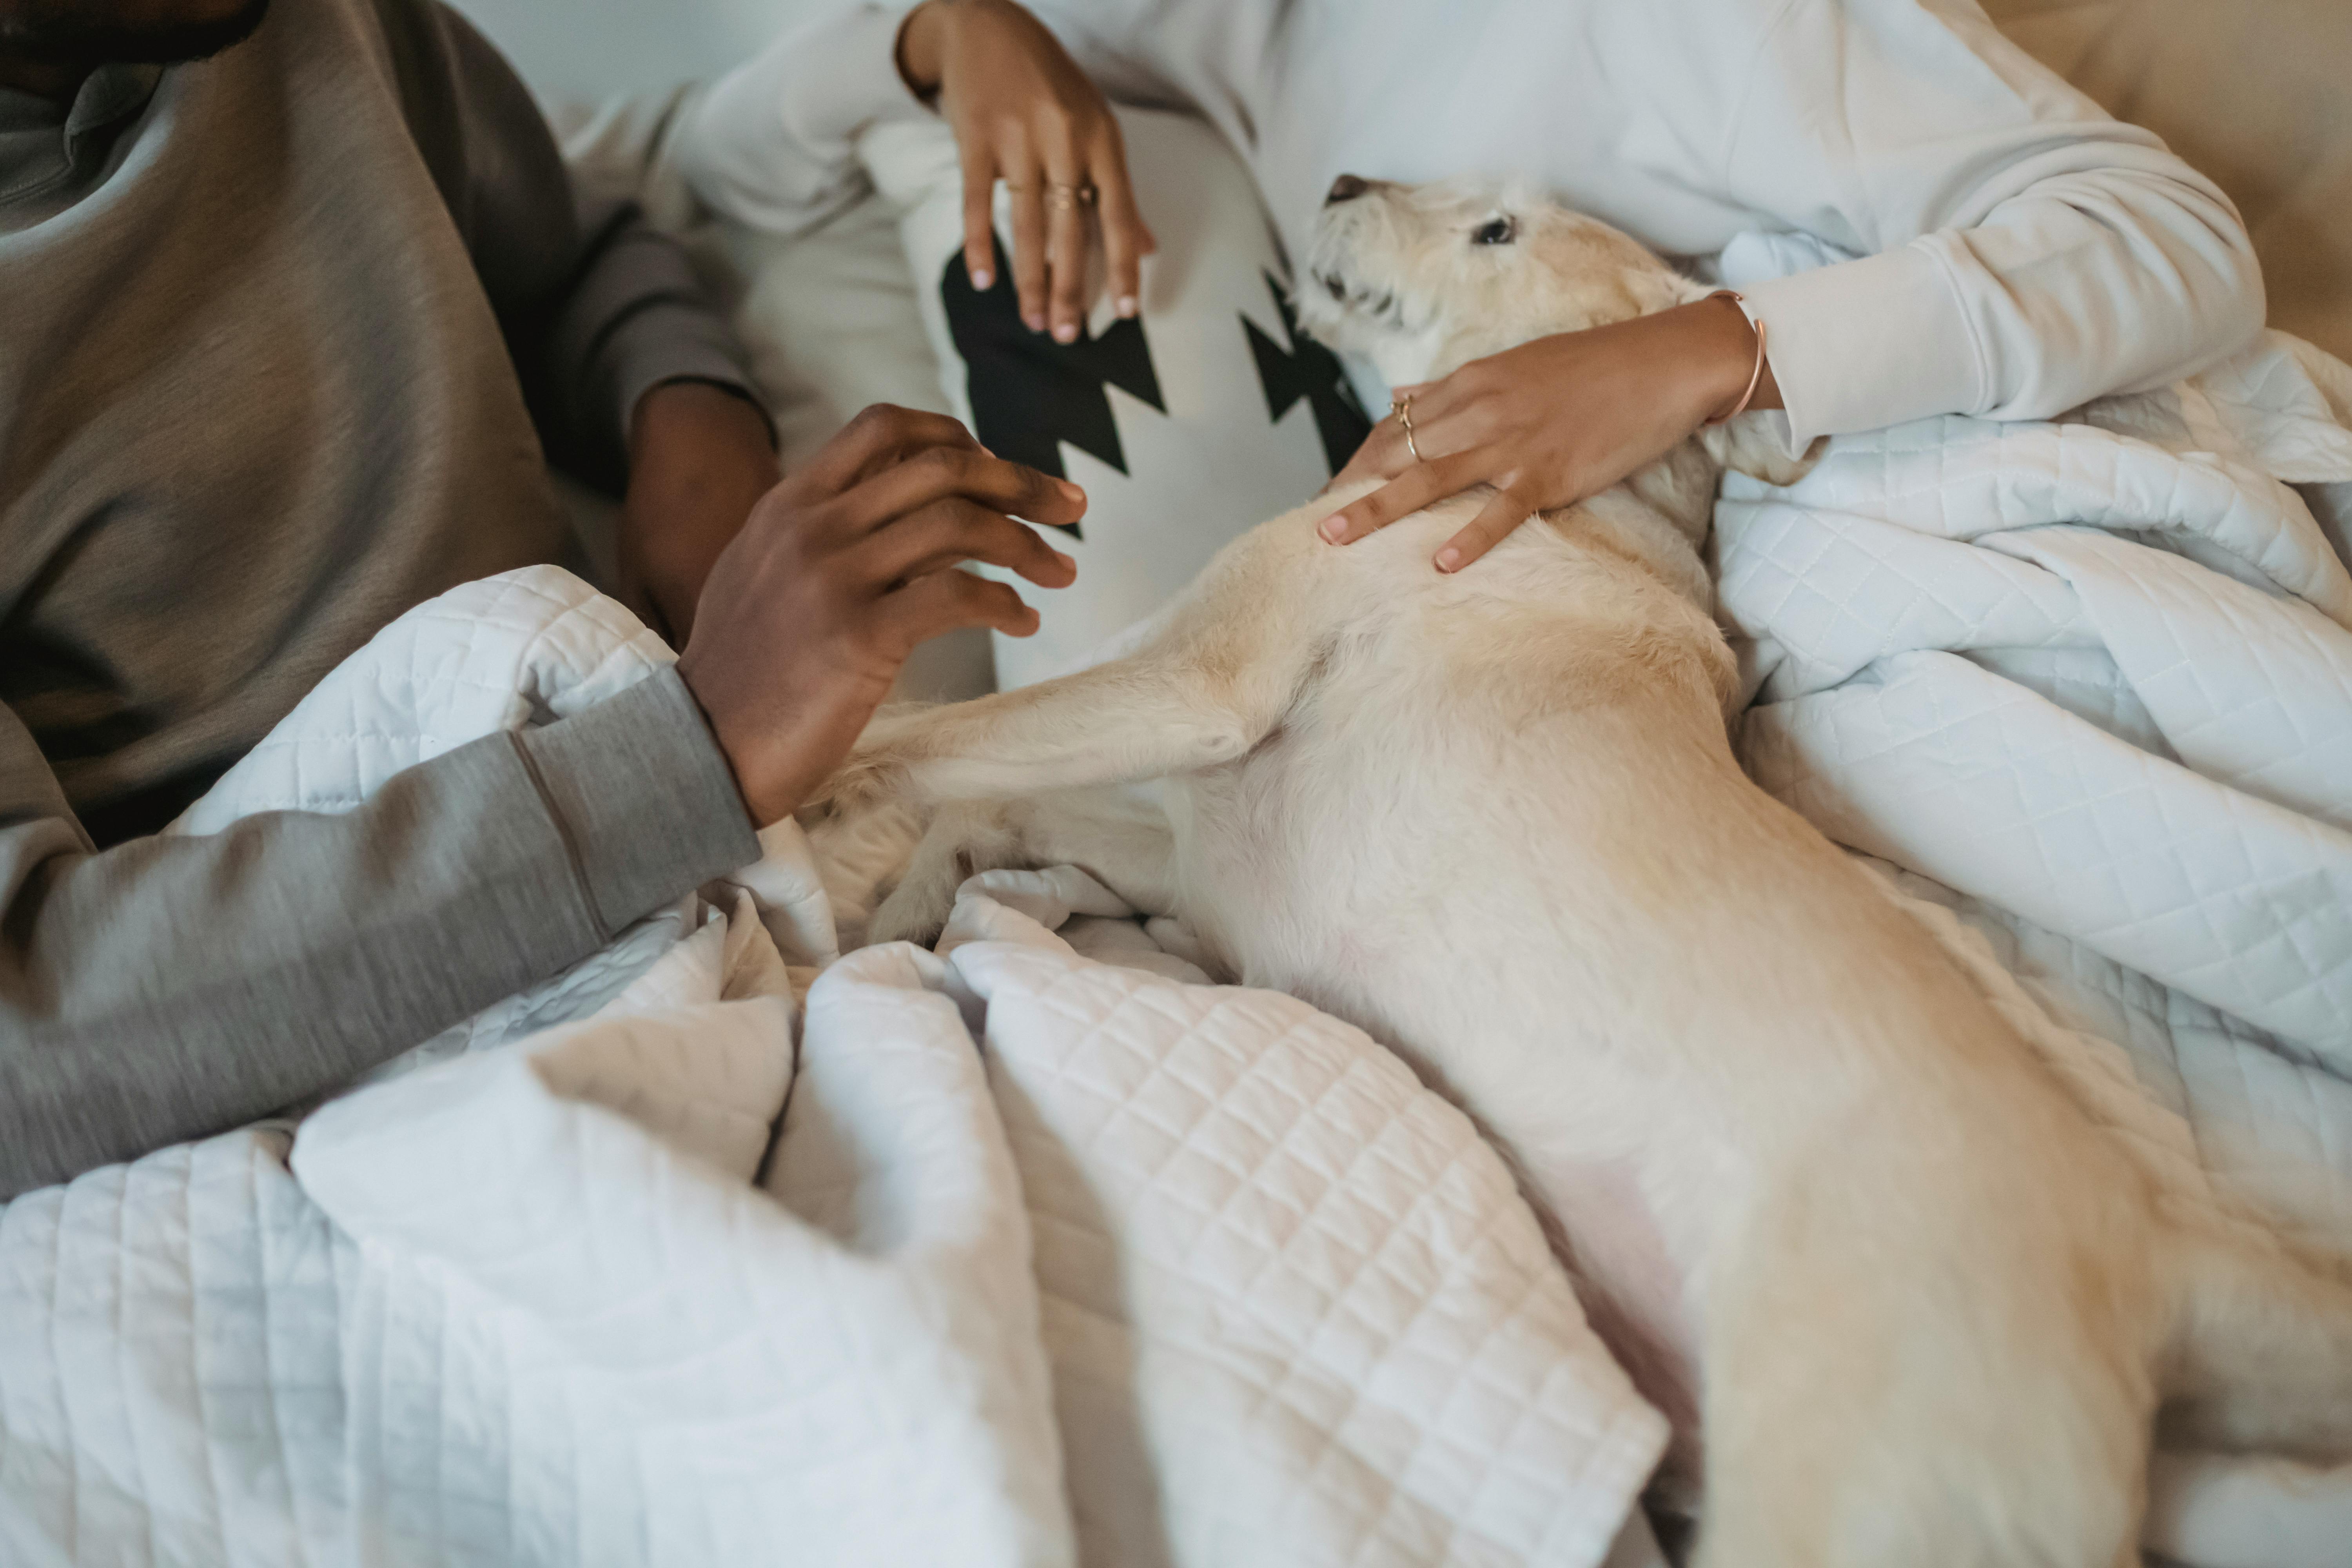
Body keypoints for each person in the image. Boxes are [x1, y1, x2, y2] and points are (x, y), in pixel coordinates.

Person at [0, 0, 1082, 1196]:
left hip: (665, 791)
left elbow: (573, 253)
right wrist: (695, 753)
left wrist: (687, 415)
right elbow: (30, 1041)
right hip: (316, 1034)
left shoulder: (324, 26)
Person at [681, 0, 2265, 572]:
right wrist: (944, 33)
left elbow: (2174, 240)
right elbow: (707, 173)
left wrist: (1697, 352)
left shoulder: (1703, 25)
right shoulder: (1190, 25)